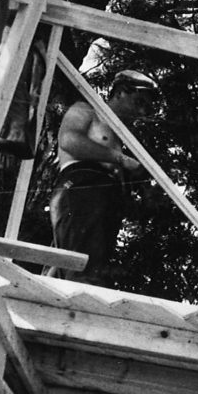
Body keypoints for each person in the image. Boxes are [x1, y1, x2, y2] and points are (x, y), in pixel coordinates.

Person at [44, 69, 159, 284]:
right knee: (82, 262)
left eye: (147, 107)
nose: (142, 111)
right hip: (81, 185)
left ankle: (78, 292)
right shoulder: (87, 110)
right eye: (140, 101)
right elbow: (68, 140)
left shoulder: (121, 137)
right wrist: (121, 159)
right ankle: (80, 294)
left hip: (106, 195)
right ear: (121, 92)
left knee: (94, 261)